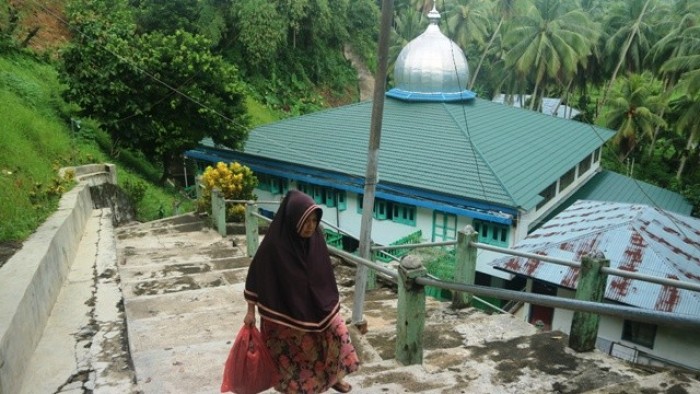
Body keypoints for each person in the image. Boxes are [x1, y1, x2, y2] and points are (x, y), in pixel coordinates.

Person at [244, 190, 360, 393]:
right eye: (306, 221)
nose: (310, 226)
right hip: (284, 309)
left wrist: (325, 302)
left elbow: (322, 273)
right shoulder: (274, 245)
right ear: (293, 219)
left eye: (314, 221)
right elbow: (255, 276)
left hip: (316, 303)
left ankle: (334, 377)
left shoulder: (316, 239)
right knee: (291, 353)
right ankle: (299, 387)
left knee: (337, 332)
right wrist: (250, 312)